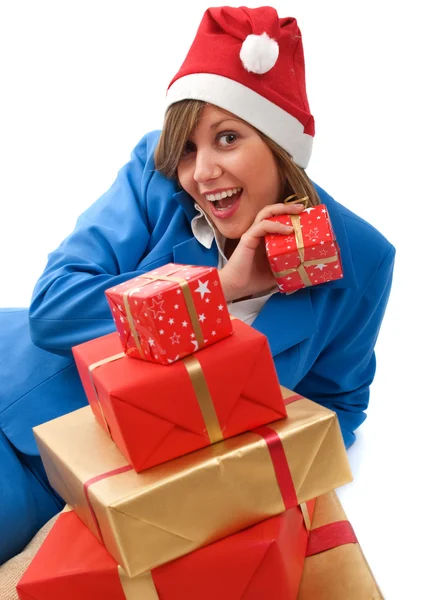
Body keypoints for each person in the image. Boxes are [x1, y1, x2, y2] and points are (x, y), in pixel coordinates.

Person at [0, 6, 395, 564]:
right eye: (187, 147)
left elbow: (337, 405)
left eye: (227, 139)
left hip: (131, 494)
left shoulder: (362, 260)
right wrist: (221, 286)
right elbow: (54, 309)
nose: (201, 172)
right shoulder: (155, 179)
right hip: (21, 417)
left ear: (282, 149)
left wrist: (227, 485)